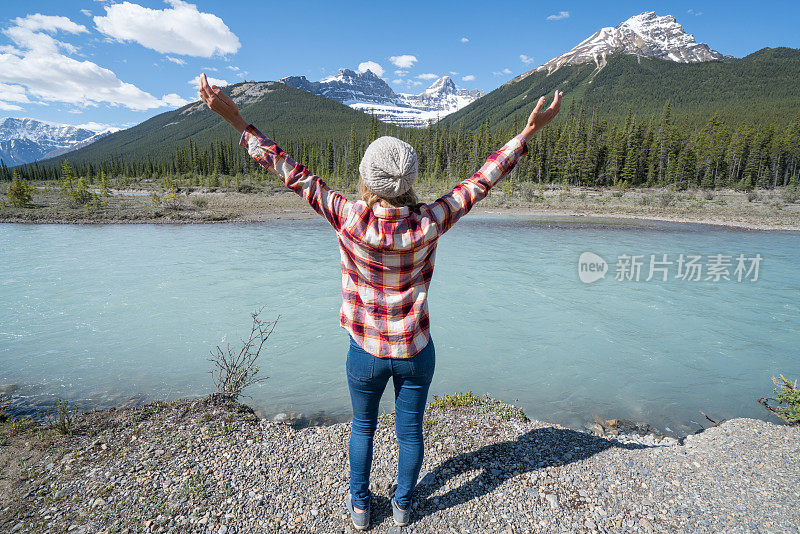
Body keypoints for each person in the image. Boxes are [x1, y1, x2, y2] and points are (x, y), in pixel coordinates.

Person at [197, 73, 562, 529]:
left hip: (365, 351)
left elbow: (288, 170)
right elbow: (481, 181)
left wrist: (236, 120)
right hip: (414, 350)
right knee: (410, 431)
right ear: (410, 179)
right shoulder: (431, 220)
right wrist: (528, 132)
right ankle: (406, 506)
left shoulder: (347, 217)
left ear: (367, 178)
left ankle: (360, 508)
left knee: (363, 427)